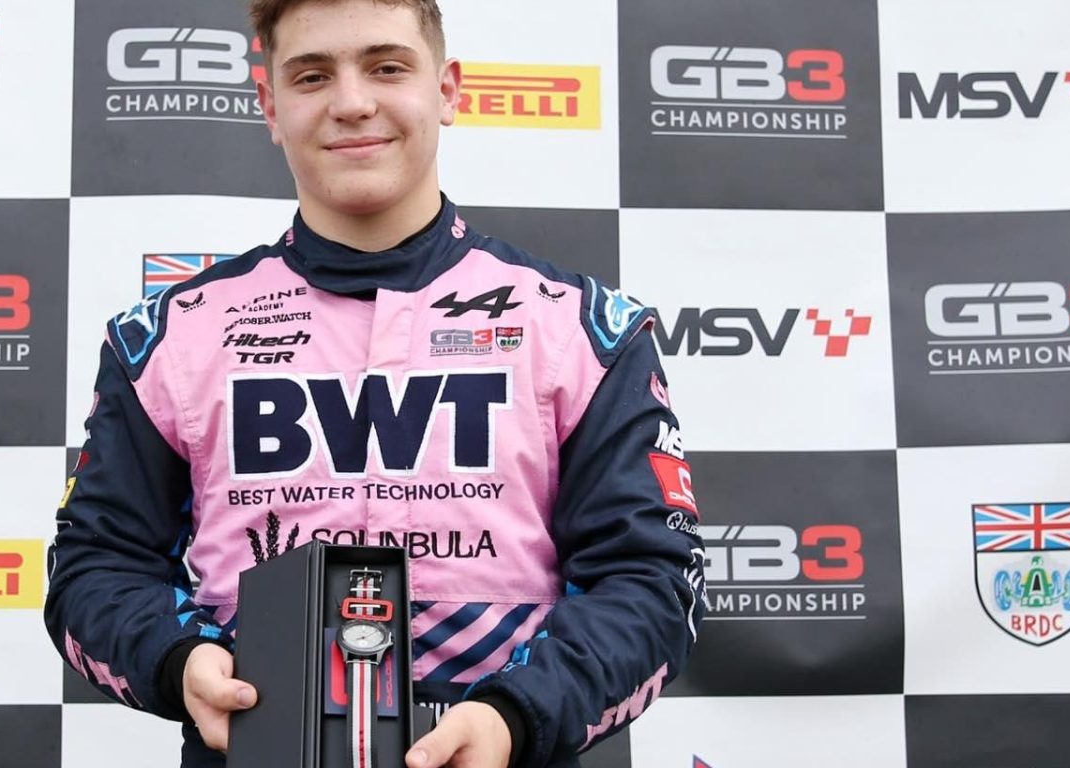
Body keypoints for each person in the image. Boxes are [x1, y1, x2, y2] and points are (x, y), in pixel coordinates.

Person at [44, 0, 705, 765]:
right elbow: (94, 567)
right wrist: (180, 659)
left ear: (446, 90)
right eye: (312, 76)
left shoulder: (581, 331)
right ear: (269, 105)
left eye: (387, 67)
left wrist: (513, 717)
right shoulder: (169, 337)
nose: (352, 102)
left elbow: (650, 579)